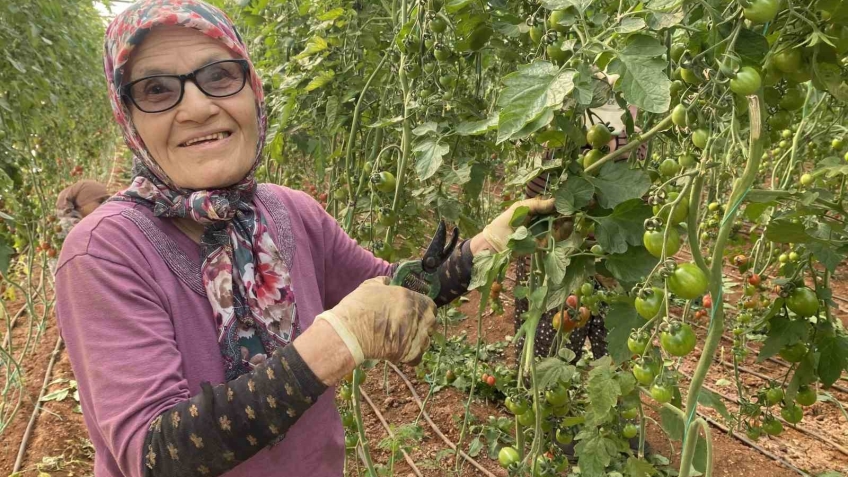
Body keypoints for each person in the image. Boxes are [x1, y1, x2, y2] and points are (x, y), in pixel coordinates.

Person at [53, 2, 556, 477]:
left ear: (253, 89)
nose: (197, 107)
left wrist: (491, 242)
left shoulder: (288, 210)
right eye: (158, 90)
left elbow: (395, 293)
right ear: (128, 116)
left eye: (219, 76)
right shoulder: (104, 251)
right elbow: (155, 455)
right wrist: (337, 341)